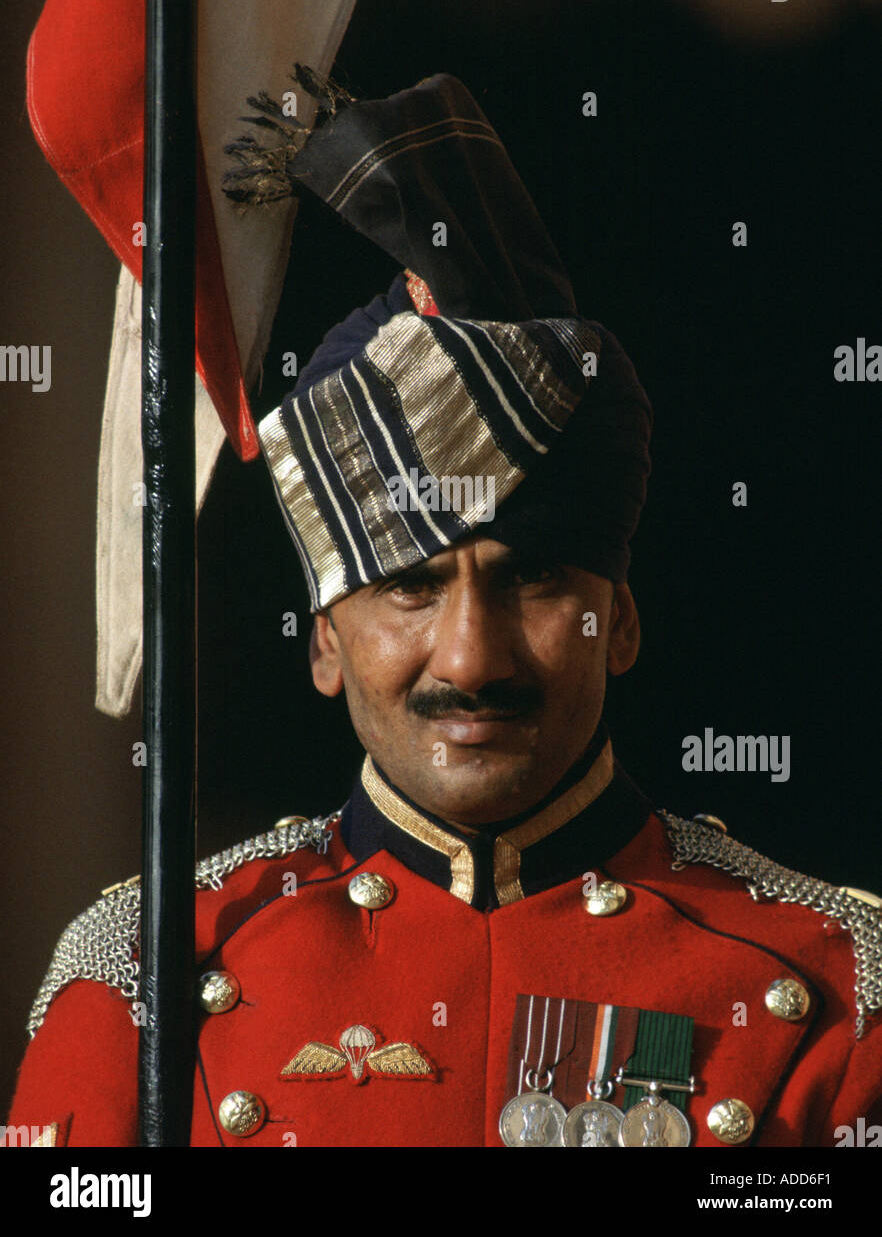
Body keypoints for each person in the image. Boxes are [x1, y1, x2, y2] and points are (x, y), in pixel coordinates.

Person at [9, 72, 882, 1148]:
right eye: (410, 585)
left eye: (536, 578)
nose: (470, 656)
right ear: (323, 638)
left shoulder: (836, 994)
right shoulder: (142, 979)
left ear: (627, 617)